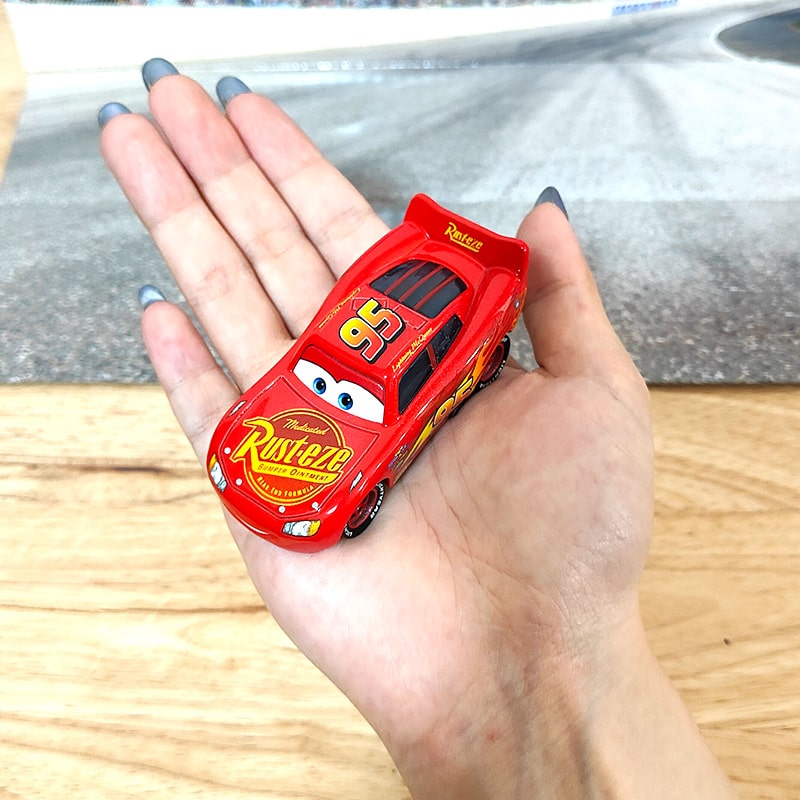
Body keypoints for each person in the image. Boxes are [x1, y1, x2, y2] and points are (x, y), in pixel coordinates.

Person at [97, 58, 737, 799]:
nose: (321, 397)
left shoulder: (396, 419)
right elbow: (285, 389)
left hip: (426, 353)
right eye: (318, 380)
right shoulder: (301, 367)